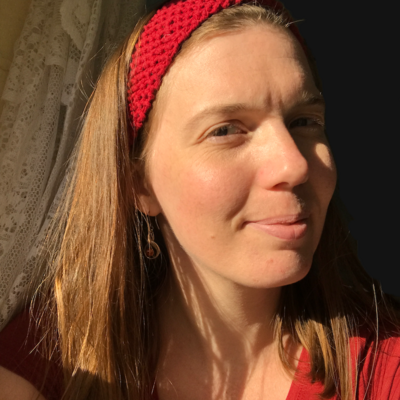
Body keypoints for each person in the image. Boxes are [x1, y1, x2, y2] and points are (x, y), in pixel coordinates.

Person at [1, 0, 400, 399]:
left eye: (304, 122)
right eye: (226, 130)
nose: (294, 165)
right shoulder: (49, 363)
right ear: (139, 184)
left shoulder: (382, 369)